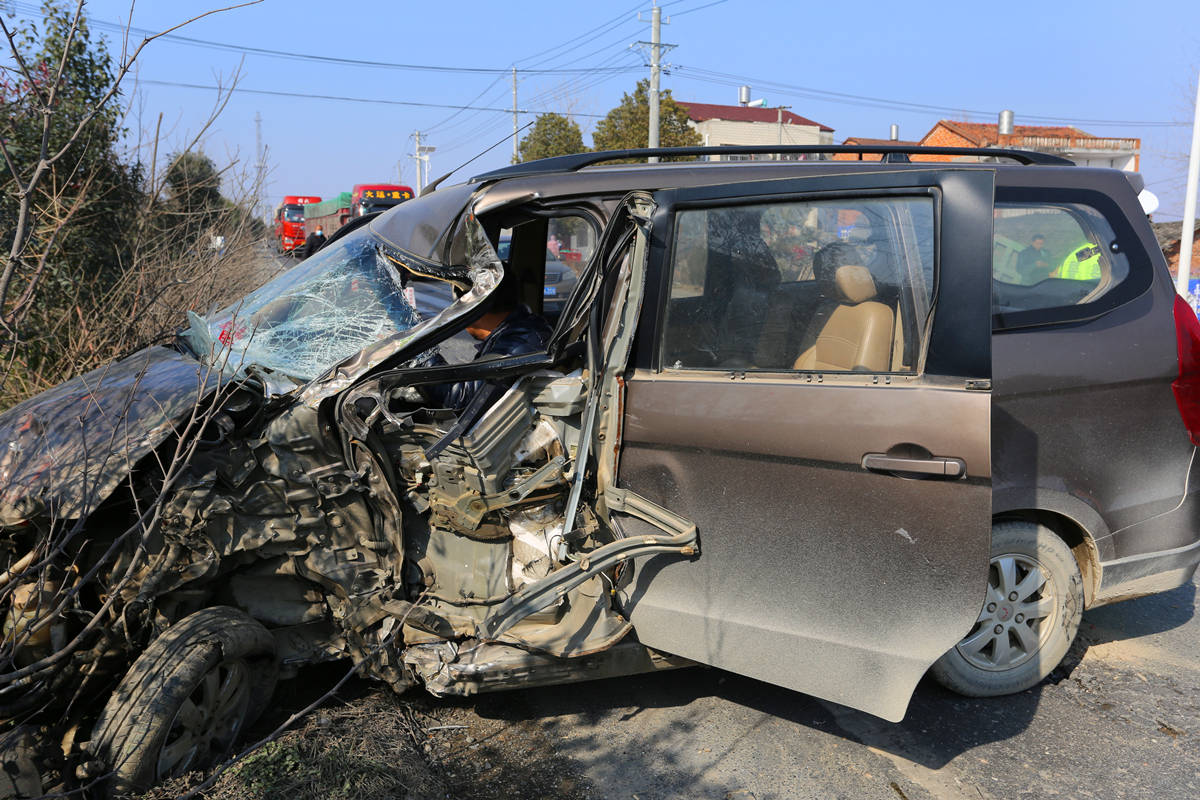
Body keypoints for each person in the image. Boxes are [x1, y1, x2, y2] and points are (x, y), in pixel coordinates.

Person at [425, 270, 552, 410]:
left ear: (473, 307)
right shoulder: (519, 331)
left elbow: (459, 397)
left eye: (459, 306)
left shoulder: (518, 344)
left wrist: (420, 355)